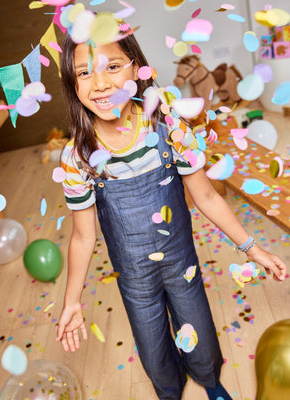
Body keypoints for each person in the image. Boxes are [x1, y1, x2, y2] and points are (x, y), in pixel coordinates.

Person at [55, 15, 287, 400]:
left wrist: (253, 248)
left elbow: (208, 196)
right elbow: (82, 236)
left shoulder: (169, 127)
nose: (101, 84)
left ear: (136, 65)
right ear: (71, 83)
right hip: (133, 278)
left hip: (183, 263)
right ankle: (169, 392)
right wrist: (72, 301)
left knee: (200, 332)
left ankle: (211, 382)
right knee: (153, 348)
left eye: (112, 66)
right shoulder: (77, 157)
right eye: (84, 73)